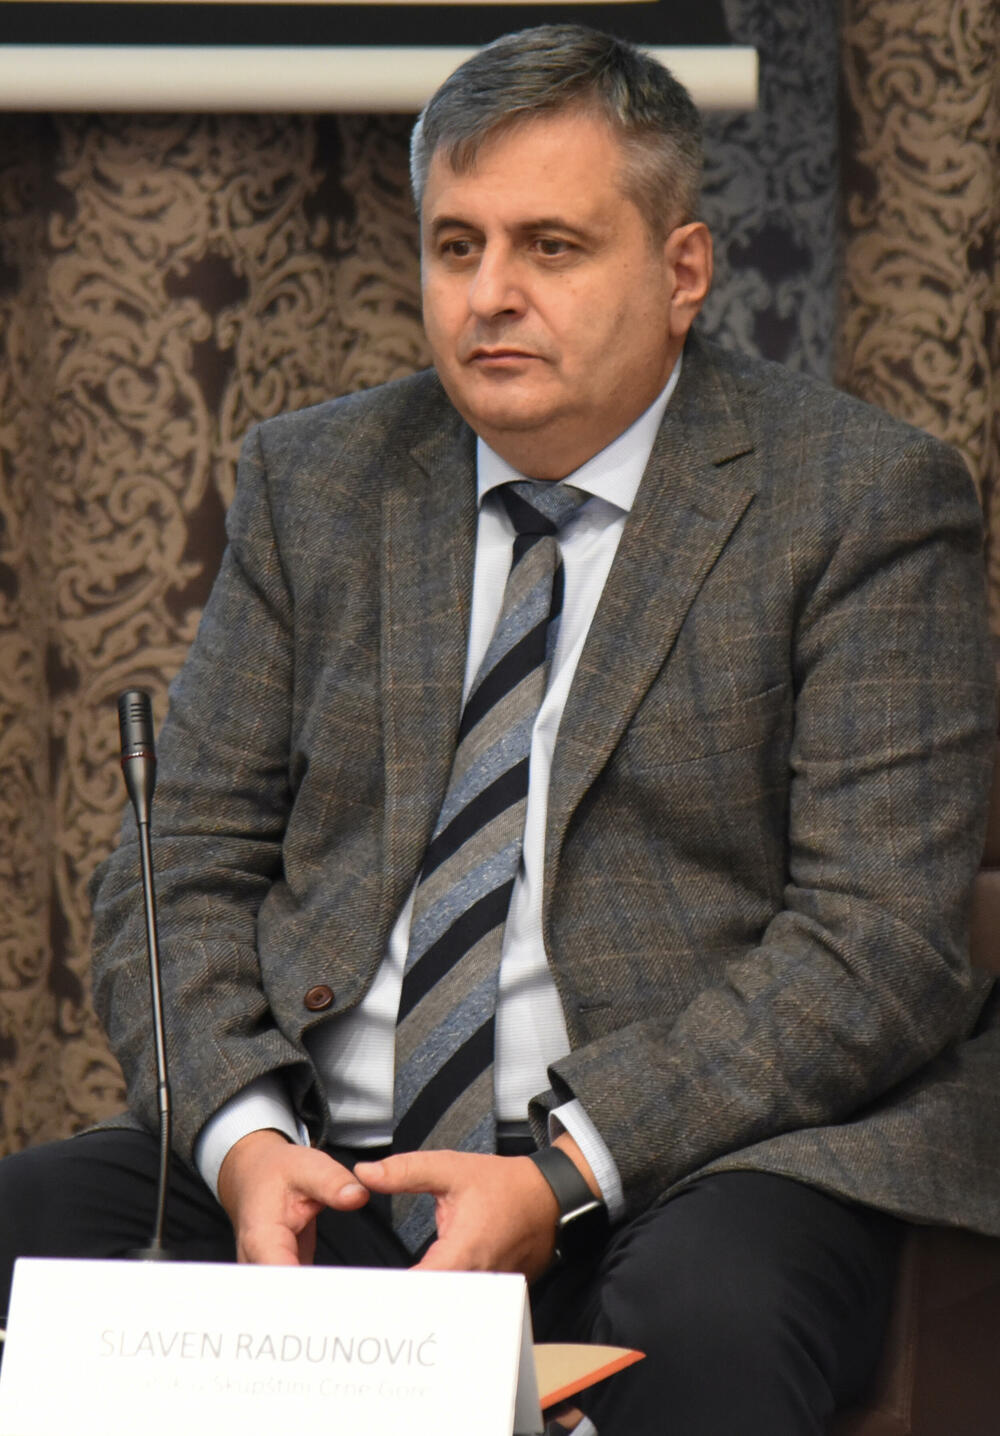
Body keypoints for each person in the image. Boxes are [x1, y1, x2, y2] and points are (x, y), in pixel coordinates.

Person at [1, 24, 997, 1436]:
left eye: (551, 247)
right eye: (455, 246)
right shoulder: (317, 479)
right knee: (29, 1224)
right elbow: (180, 874)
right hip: (330, 1168)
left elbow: (878, 943)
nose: (490, 296)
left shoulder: (860, 502)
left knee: (707, 1314)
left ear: (684, 272)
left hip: (691, 1162)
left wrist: (567, 1169)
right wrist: (246, 1146)